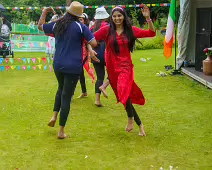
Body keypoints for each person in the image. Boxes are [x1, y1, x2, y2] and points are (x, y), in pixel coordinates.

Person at [38, 1, 99, 139]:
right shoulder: (81, 26)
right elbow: (94, 43)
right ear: (79, 15)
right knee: (67, 96)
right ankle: (61, 131)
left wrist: (44, 12)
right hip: (73, 66)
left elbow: (40, 27)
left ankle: (54, 115)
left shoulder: (58, 24)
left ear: (68, 12)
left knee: (60, 89)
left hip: (58, 64)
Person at [92, 5, 156, 136]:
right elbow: (90, 38)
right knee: (124, 96)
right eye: (114, 16)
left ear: (124, 16)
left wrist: (148, 19)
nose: (117, 18)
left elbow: (151, 33)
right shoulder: (107, 30)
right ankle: (140, 125)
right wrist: (90, 50)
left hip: (125, 67)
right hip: (112, 68)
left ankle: (130, 119)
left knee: (123, 91)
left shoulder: (130, 30)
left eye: (119, 15)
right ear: (111, 17)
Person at [90, 6, 109, 107]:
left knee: (99, 77)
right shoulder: (108, 25)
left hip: (95, 54)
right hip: (106, 53)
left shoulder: (92, 28)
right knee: (114, 74)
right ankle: (105, 86)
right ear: (105, 16)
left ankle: (97, 100)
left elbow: (87, 41)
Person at [77, 13, 96, 98]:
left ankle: (82, 92)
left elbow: (88, 42)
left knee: (78, 74)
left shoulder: (85, 31)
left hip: (83, 56)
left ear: (84, 21)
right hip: (75, 55)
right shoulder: (75, 29)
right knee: (78, 75)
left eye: (81, 19)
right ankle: (83, 92)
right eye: (78, 19)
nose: (79, 21)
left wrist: (91, 50)